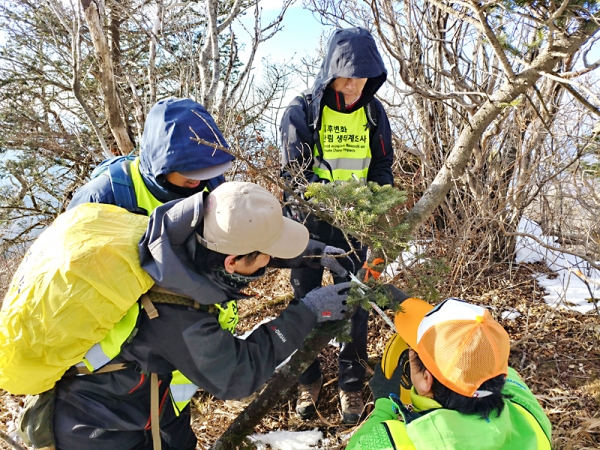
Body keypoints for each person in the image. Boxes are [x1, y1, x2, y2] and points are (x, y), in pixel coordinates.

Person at [51, 181, 355, 450]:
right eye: (265, 256)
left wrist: (315, 253)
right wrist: (309, 311)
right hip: (103, 430)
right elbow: (238, 374)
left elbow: (249, 245)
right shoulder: (175, 315)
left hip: (153, 404)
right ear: (232, 263)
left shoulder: (180, 237)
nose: (268, 262)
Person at [279, 27, 394, 423]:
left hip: (356, 231)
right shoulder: (302, 110)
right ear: (330, 72)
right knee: (305, 306)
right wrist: (333, 203)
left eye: (363, 78)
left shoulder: (373, 112)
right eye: (347, 77)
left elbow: (381, 167)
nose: (354, 86)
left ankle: (350, 386)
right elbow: (294, 176)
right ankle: (307, 381)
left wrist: (375, 207)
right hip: (306, 231)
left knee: (354, 308)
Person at [347, 297, 553, 449]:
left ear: (426, 380)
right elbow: (478, 359)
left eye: (413, 352)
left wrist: (384, 404)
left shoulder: (394, 442)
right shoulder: (529, 413)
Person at [68, 97, 235, 213]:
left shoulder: (214, 184)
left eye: (205, 170)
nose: (197, 180)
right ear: (161, 161)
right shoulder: (100, 196)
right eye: (188, 171)